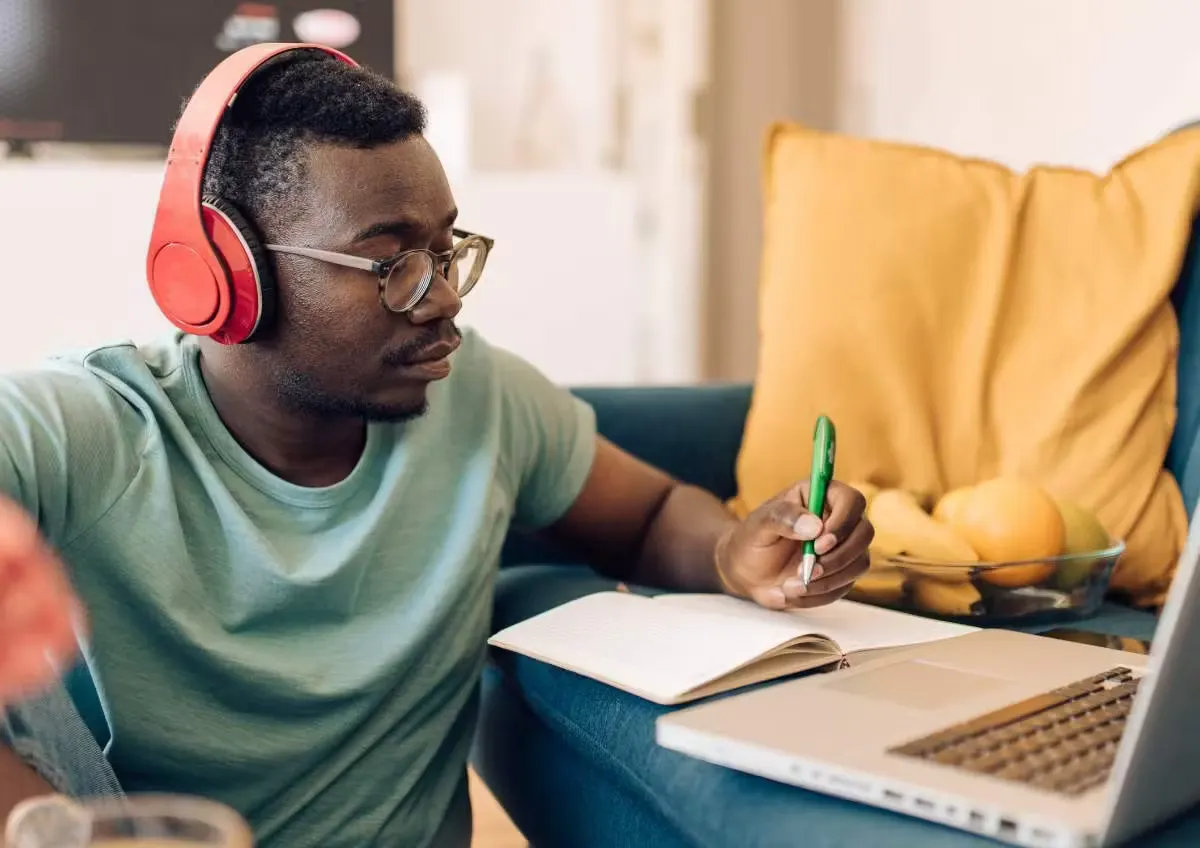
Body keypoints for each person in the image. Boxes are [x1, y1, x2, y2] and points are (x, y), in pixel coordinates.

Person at [0, 47, 872, 846]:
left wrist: (736, 553)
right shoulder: (93, 427)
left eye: (446, 249)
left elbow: (645, 515)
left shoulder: (476, 396)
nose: (445, 298)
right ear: (228, 270)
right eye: (390, 265)